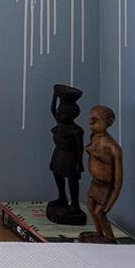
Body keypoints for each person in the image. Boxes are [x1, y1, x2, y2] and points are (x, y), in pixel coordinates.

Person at [81, 104, 124, 243]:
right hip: (96, 182)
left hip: (106, 186)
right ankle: (99, 233)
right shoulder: (94, 137)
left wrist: (111, 201)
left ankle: (110, 238)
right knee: (90, 207)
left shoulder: (113, 147)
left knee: (100, 212)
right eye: (91, 118)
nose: (91, 122)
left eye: (96, 119)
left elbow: (118, 180)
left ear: (109, 122)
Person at [46, 83, 86, 226]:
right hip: (58, 154)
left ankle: (74, 204)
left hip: (70, 158)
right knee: (57, 174)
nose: (58, 113)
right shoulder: (60, 123)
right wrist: (55, 94)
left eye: (61, 112)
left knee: (72, 180)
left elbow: (80, 149)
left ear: (70, 115)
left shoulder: (76, 131)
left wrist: (79, 163)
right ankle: (62, 197)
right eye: (59, 111)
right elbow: (51, 109)